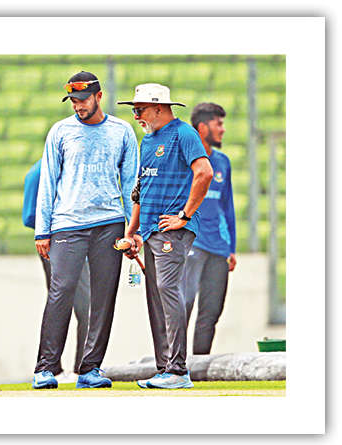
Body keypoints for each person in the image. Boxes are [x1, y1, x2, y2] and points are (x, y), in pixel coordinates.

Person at [33, 71, 138, 389]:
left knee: (104, 298)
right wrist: (42, 230)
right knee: (60, 292)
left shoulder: (122, 131)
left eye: (83, 99)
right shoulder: (60, 131)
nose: (78, 106)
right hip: (67, 224)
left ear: (98, 96)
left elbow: (132, 185)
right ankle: (45, 368)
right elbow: (48, 181)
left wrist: (134, 231)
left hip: (110, 224)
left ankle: (90, 369)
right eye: (73, 101)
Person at [117, 84, 213, 389]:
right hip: (151, 231)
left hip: (172, 229)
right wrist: (133, 231)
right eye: (134, 110)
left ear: (158, 107)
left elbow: (204, 172)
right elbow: (141, 190)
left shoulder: (183, 134)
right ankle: (166, 368)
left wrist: (184, 215)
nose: (136, 116)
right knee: (159, 297)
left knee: (168, 290)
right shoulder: (148, 140)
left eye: (139, 110)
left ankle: (178, 371)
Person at [22, 159, 90, 383]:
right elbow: (30, 215)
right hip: (59, 245)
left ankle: (62, 368)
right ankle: (66, 368)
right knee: (74, 304)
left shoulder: (67, 169)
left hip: (74, 245)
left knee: (73, 304)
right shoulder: (41, 172)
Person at [182, 103, 237, 354]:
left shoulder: (223, 162)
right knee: (182, 307)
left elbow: (227, 206)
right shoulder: (183, 159)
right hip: (191, 244)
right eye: (219, 124)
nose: (223, 129)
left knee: (211, 311)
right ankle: (174, 365)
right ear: (203, 128)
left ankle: (200, 365)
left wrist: (231, 247)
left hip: (218, 249)